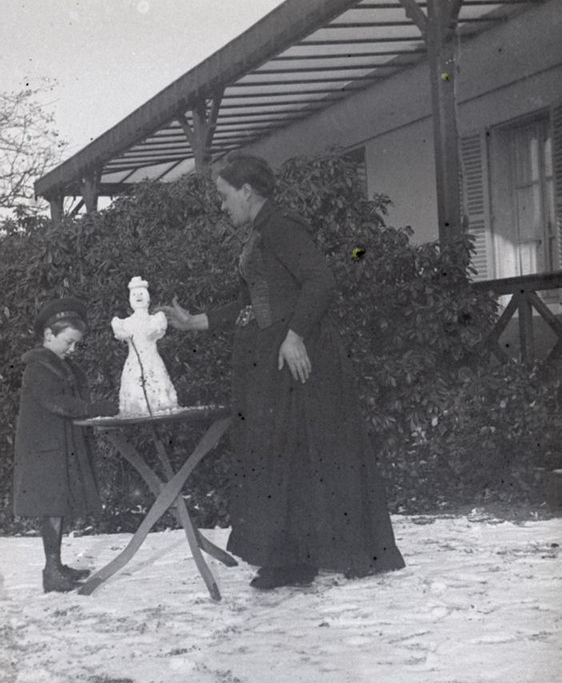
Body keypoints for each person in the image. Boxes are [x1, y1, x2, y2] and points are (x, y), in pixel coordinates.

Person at [161, 153, 405, 589]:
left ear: (247, 191)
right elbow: (251, 301)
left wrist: (295, 335)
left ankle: (324, 555)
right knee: (279, 458)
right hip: (272, 362)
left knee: (306, 455)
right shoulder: (259, 234)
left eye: (223, 195)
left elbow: (321, 280)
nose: (221, 205)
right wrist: (195, 321)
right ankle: (289, 559)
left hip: (299, 361)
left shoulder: (282, 227)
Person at [13, 297, 116, 593]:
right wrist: (95, 408)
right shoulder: (38, 367)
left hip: (58, 446)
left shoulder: (58, 365)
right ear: (48, 335)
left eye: (76, 344)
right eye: (69, 342)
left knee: (58, 506)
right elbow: (55, 403)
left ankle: (55, 567)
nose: (73, 349)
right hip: (44, 450)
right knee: (51, 507)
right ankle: (51, 570)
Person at [111, 276, 179, 416]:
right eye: (134, 294)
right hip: (134, 361)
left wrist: (154, 331)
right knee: (135, 385)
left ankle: (161, 404)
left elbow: (157, 331)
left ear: (148, 297)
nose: (138, 296)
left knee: (157, 381)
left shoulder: (155, 319)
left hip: (152, 359)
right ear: (130, 299)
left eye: (141, 293)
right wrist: (124, 334)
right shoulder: (125, 322)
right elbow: (119, 332)